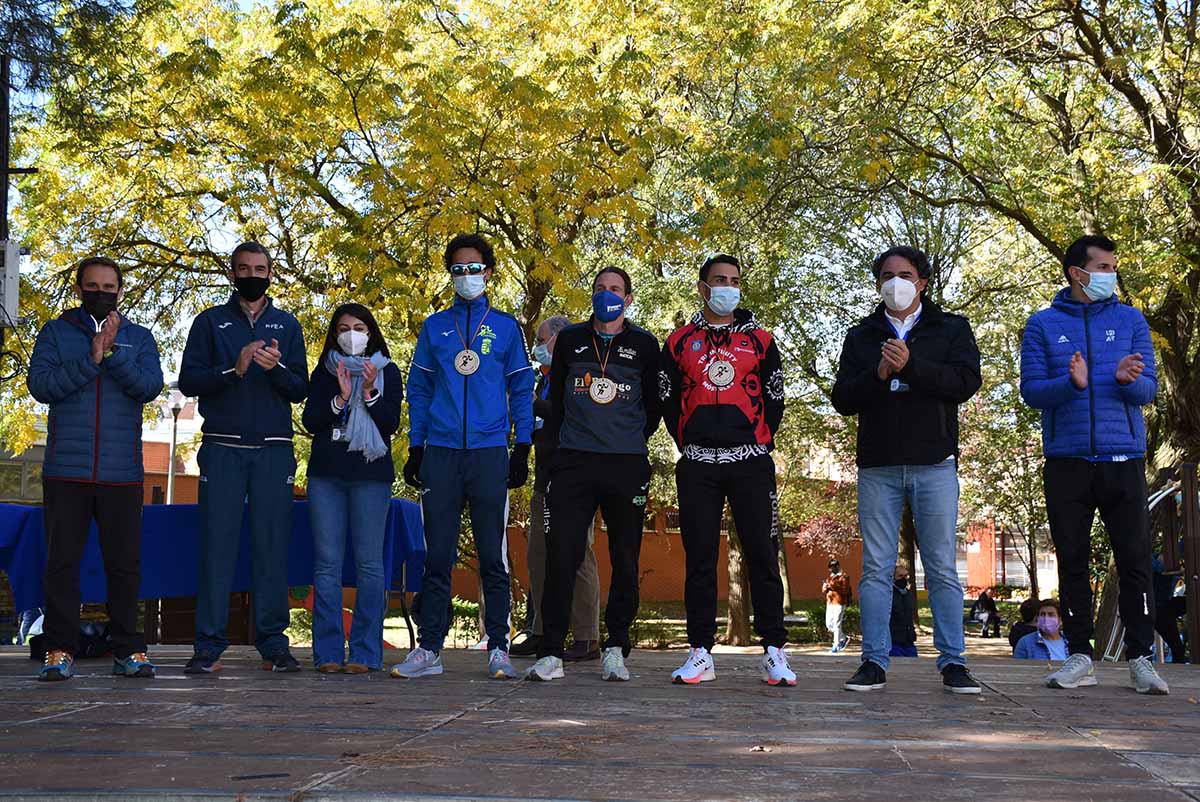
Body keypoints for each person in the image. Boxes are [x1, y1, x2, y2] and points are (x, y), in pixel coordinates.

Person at [1020, 234, 1169, 694]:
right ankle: (1079, 654)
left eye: (1112, 267)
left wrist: (1126, 381)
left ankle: (1141, 659)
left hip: (1123, 458)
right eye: (1103, 268)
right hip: (1066, 461)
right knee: (1072, 561)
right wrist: (1071, 384)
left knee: (1135, 561)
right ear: (1077, 273)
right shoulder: (1042, 325)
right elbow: (1031, 391)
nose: (1111, 276)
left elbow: (1150, 391)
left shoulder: (1130, 321)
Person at [832, 245, 982, 694]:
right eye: (887, 274)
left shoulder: (950, 328)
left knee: (940, 567)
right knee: (876, 568)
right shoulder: (861, 334)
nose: (895, 281)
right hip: (878, 467)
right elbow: (842, 398)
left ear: (922, 282)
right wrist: (878, 374)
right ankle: (874, 661)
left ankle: (953, 662)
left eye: (905, 274)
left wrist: (912, 366)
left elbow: (965, 383)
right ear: (878, 283)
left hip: (934, 464)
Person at [394, 233, 534, 680]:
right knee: (438, 554)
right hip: (442, 451)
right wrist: (417, 446)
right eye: (458, 269)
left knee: (494, 555)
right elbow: (418, 390)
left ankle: (498, 646)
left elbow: (522, 390)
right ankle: (430, 649)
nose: (467, 276)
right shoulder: (435, 327)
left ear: (489, 272)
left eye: (475, 268)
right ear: (450, 275)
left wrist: (522, 446)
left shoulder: (508, 328)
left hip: (491, 452)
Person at [26, 256, 164, 681]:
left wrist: (111, 355)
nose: (101, 293)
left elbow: (149, 387)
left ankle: (128, 650)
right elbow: (41, 386)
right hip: (66, 471)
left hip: (122, 473)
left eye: (109, 287)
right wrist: (90, 357)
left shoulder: (139, 338)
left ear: (119, 291)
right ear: (79, 288)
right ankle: (59, 649)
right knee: (62, 565)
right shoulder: (55, 332)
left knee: (124, 566)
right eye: (93, 286)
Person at [659, 254, 794, 687]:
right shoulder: (679, 341)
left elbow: (775, 395)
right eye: (719, 280)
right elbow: (665, 396)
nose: (727, 287)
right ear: (703, 287)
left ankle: (774, 651)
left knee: (762, 553)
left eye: (734, 281)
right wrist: (687, 439)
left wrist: (758, 440)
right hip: (697, 464)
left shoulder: (761, 340)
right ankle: (700, 651)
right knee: (699, 557)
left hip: (751, 463)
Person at [525, 267, 661, 683]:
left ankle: (616, 648)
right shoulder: (570, 339)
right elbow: (559, 397)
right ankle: (551, 653)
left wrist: (623, 436)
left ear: (629, 299)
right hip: (573, 463)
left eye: (616, 290)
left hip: (625, 463)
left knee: (624, 558)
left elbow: (654, 407)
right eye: (601, 289)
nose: (608, 295)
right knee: (561, 556)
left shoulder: (644, 343)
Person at [179, 241, 309, 674]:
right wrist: (232, 369)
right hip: (222, 448)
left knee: (272, 548)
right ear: (232, 273)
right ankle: (208, 645)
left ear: (271, 273)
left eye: (260, 268)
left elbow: (300, 389)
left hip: (274, 450)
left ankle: (273, 643)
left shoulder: (287, 325)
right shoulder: (210, 321)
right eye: (243, 268)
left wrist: (275, 370)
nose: (252, 274)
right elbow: (189, 380)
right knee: (217, 548)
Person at [302, 303, 403, 673]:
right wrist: (341, 397)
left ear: (371, 332)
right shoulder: (325, 371)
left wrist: (371, 391)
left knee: (369, 566)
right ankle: (327, 653)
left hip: (371, 478)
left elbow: (390, 423)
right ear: (335, 334)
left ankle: (364, 653)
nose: (351, 334)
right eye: (344, 328)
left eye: (359, 327)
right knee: (327, 566)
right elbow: (311, 419)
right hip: (326, 476)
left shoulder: (387, 371)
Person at [511, 315, 602, 662]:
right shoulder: (542, 381)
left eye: (540, 339)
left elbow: (569, 414)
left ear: (559, 340)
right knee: (539, 556)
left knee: (578, 555)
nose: (537, 347)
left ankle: (586, 637)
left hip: (575, 480)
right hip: (544, 480)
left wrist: (527, 404)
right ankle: (542, 632)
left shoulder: (582, 373)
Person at [823, 559, 853, 654]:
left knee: (837, 624)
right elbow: (825, 590)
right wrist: (825, 587)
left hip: (839, 603)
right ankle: (843, 638)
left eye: (832, 568)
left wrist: (832, 586)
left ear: (837, 566)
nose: (830, 571)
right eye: (829, 569)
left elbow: (845, 590)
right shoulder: (830, 577)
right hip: (830, 602)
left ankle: (835, 645)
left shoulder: (844, 577)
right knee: (829, 624)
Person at [889, 564, 918, 658]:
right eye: (900, 576)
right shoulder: (888, 594)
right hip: (894, 641)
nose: (904, 579)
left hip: (909, 640)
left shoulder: (908, 594)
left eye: (906, 576)